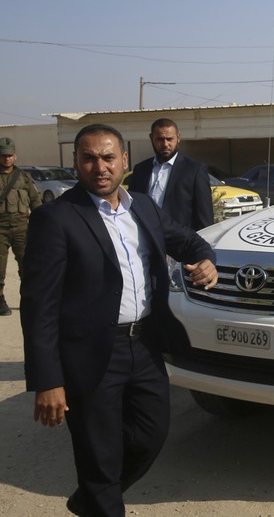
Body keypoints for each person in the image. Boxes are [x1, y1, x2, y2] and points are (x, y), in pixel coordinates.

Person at [21, 124, 218, 516]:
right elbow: (38, 306)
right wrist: (48, 380)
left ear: (124, 161)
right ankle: (102, 497)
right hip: (91, 354)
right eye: (89, 158)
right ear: (76, 162)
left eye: (108, 157)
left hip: (144, 345)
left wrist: (207, 259)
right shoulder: (56, 218)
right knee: (99, 451)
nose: (100, 167)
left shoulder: (142, 206)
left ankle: (93, 497)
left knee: (151, 434)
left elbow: (190, 240)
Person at [128, 118, 213, 230]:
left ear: (178, 138)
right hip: (146, 239)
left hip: (180, 242)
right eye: (160, 139)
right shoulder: (141, 170)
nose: (165, 144)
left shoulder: (194, 170)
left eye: (169, 139)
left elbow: (204, 217)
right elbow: (132, 207)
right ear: (151, 138)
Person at [0, 137, 41, 316]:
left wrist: (41, 226)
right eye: (3, 156)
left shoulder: (24, 178)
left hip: (22, 229)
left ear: (15, 157)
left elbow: (35, 202)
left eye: (9, 156)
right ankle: (0, 300)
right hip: (0, 229)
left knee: (27, 265)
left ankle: (29, 299)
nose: (6, 159)